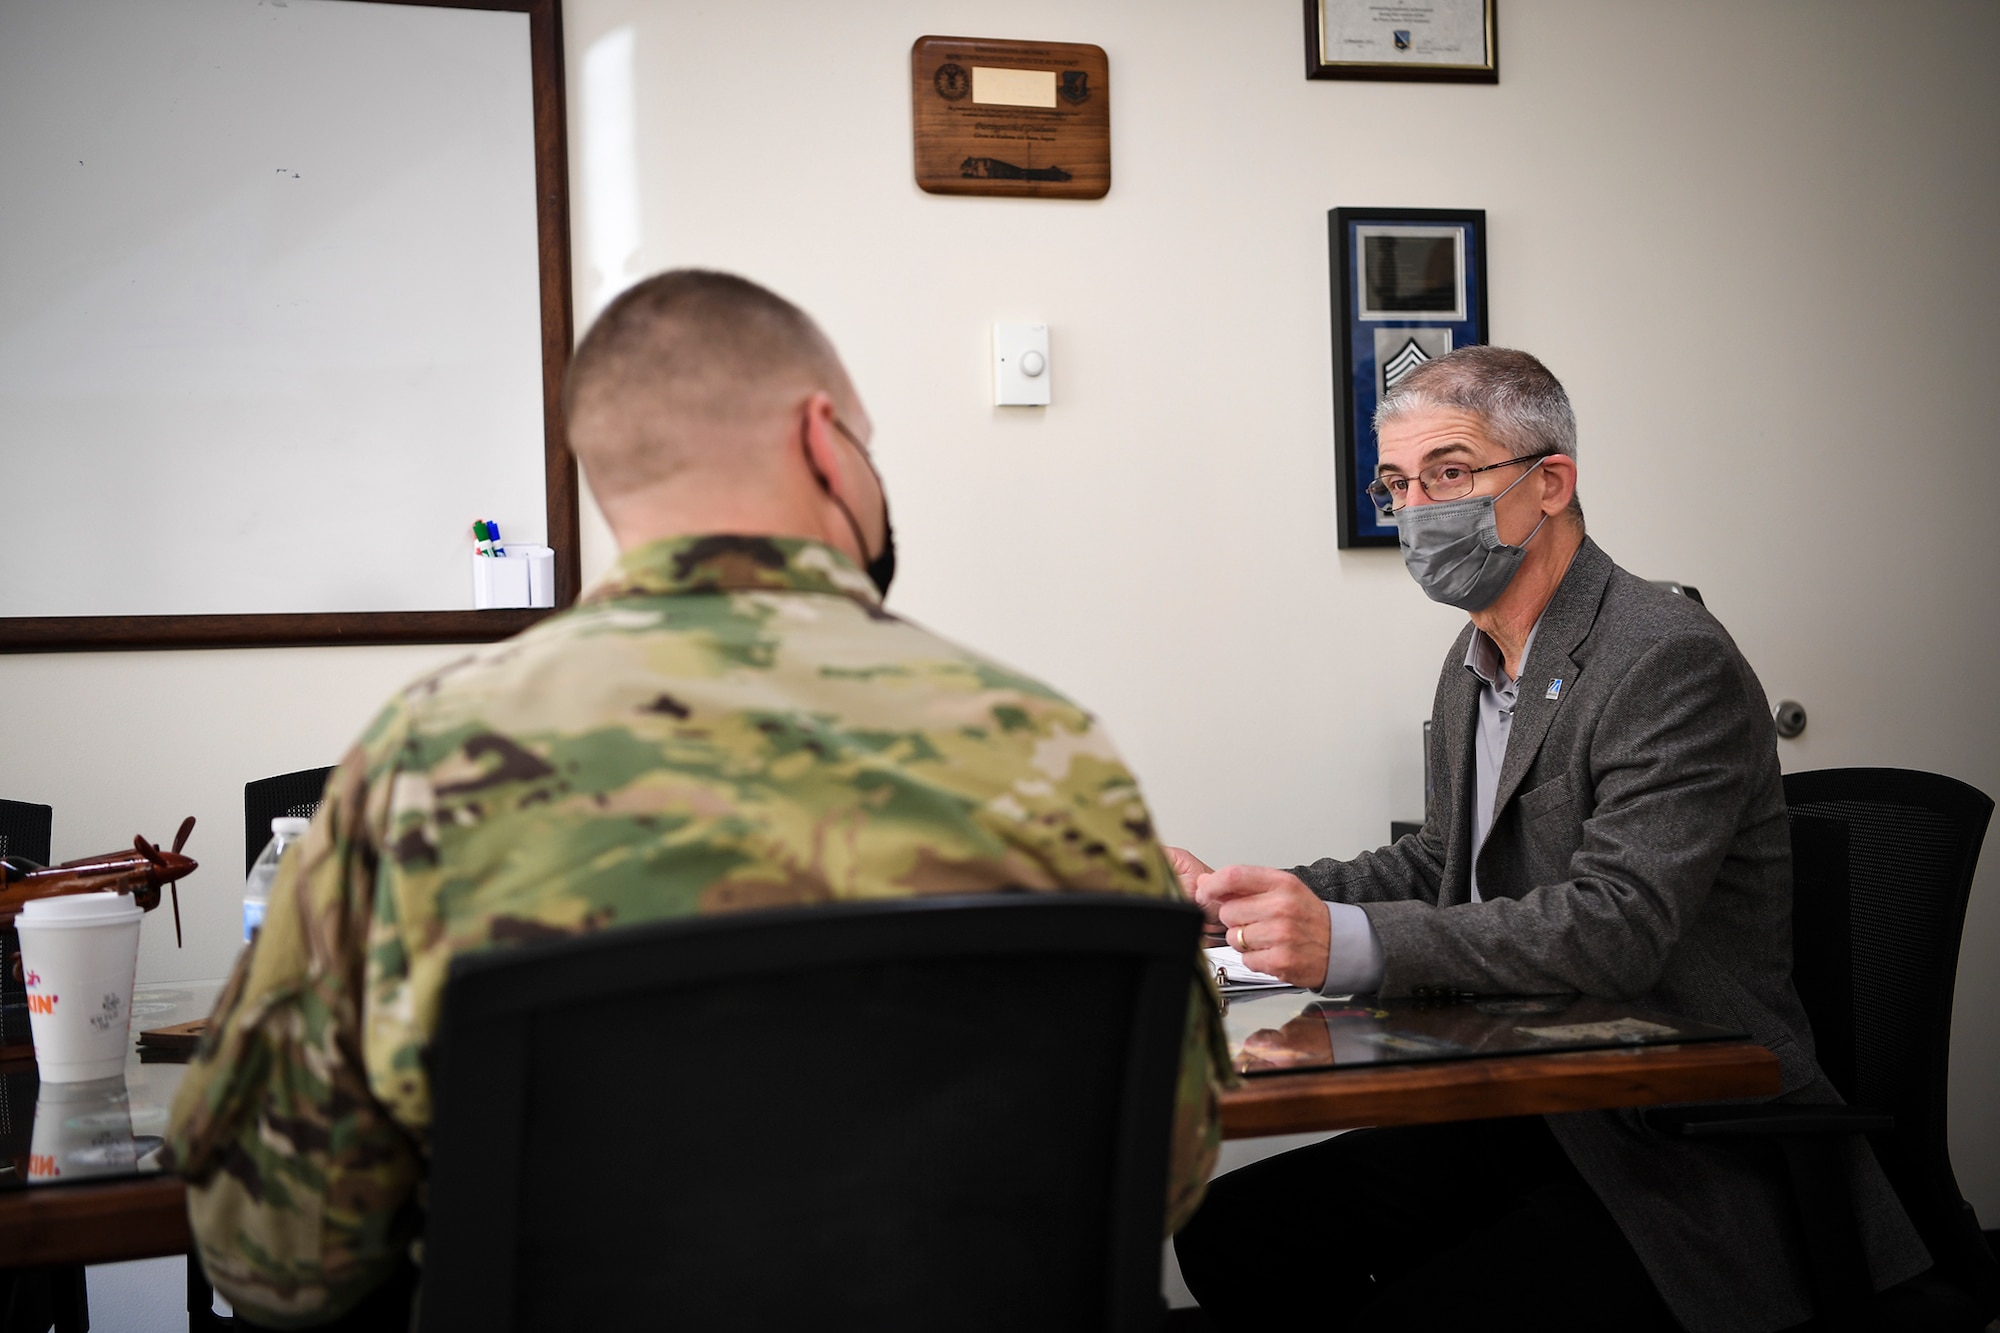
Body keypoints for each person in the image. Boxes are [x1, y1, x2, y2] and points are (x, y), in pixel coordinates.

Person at [166, 270, 1228, 1328]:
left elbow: (275, 1256)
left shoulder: (423, 758)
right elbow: (1165, 1174)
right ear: (824, 440)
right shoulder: (1049, 744)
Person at [1169, 346, 1928, 1333]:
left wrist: (1348, 942)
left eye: (1447, 472)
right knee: (1230, 1231)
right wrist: (1250, 899)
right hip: (1535, 1100)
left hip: (1679, 1137)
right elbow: (1439, 863)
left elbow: (1616, 928)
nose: (1413, 508)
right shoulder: (1476, 656)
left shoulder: (1662, 657)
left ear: (1549, 482)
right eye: (1395, 483)